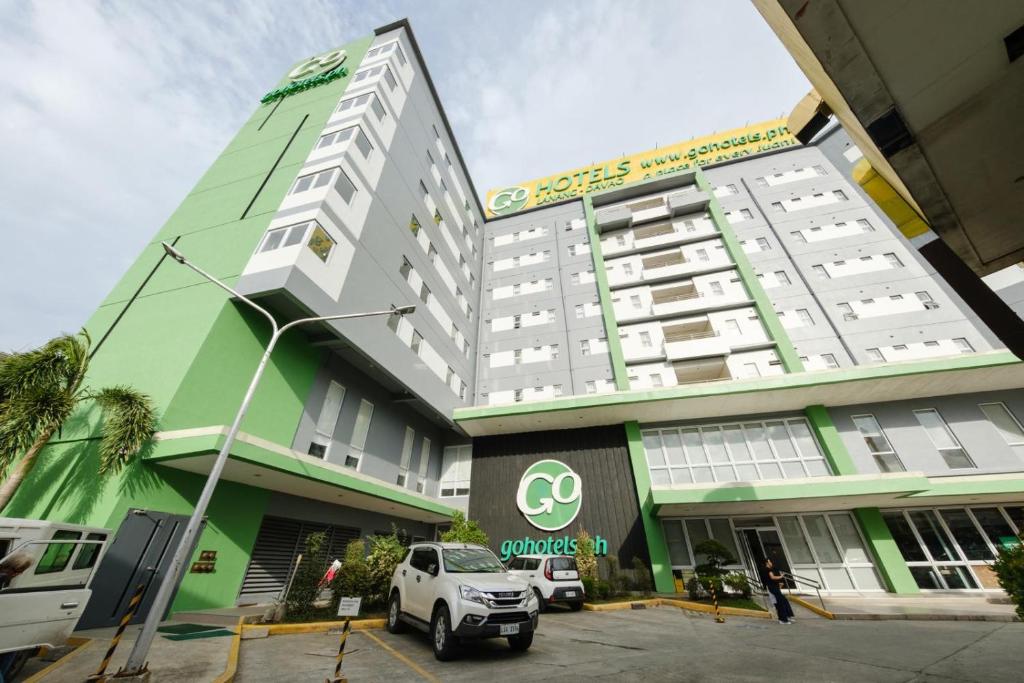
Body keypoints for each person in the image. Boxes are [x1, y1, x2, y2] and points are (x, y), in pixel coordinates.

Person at [761, 558, 795, 624]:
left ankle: (787, 616)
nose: (771, 562)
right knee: (780, 602)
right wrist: (781, 576)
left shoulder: (767, 570)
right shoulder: (768, 569)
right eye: (770, 561)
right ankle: (783, 619)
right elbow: (772, 577)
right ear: (767, 563)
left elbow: (770, 580)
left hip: (773, 587)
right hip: (772, 588)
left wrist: (778, 583)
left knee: (784, 600)